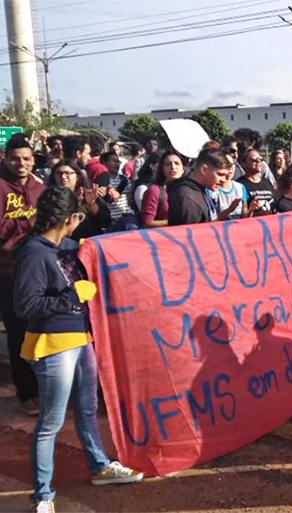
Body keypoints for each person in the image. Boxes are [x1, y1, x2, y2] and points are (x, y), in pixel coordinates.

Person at [14, 186, 143, 513]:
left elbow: (100, 242)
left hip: (80, 339)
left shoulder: (64, 245)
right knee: (50, 423)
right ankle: (42, 495)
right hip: (53, 345)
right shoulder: (33, 252)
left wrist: (94, 245)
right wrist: (73, 297)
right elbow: (26, 306)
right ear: (69, 218)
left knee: (87, 409)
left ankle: (99, 466)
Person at [0, 136, 45, 415]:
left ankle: (44, 387)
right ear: (6, 158)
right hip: (8, 271)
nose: (22, 164)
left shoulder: (39, 187)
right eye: (16, 158)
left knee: (41, 329)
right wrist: (27, 224)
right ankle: (27, 392)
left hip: (38, 270)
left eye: (27, 158)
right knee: (18, 332)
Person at [47, 160, 112, 240]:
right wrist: (74, 205)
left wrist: (91, 205)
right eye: (59, 173)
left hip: (89, 242)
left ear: (77, 176)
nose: (63, 176)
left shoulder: (89, 194)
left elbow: (106, 222)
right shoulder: (50, 198)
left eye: (68, 173)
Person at [168, 147, 232, 226]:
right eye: (220, 174)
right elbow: (188, 234)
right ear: (204, 170)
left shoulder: (198, 191)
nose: (223, 180)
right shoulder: (187, 198)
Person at [140, 151, 186, 228]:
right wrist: (172, 222)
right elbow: (147, 223)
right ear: (162, 169)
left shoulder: (188, 190)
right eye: (168, 164)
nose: (173, 167)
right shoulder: (154, 190)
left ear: (183, 169)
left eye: (177, 163)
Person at [95, 150, 135, 227]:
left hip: (126, 217)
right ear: (104, 162)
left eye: (118, 161)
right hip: (110, 220)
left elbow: (130, 198)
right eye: (113, 161)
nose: (117, 164)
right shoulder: (100, 181)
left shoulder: (124, 179)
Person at [236, 148, 275, 215]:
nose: (258, 161)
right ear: (244, 163)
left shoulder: (267, 182)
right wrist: (250, 210)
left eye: (260, 159)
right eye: (254, 159)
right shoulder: (240, 185)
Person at [213, 152, 250, 221]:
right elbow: (212, 220)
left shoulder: (240, 188)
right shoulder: (212, 190)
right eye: (227, 165)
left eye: (232, 165)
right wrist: (229, 210)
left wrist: (251, 209)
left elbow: (244, 217)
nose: (230, 169)